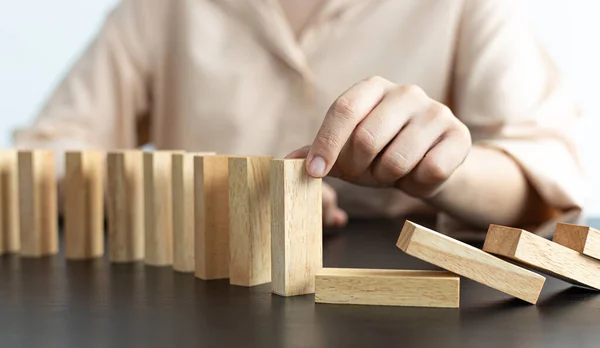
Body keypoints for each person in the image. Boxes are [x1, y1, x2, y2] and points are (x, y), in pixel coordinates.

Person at [13, 0, 585, 236]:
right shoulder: (160, 9)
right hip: (199, 305)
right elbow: (39, 162)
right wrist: (194, 192)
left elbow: (546, 183)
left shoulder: (466, 8)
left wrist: (443, 169)